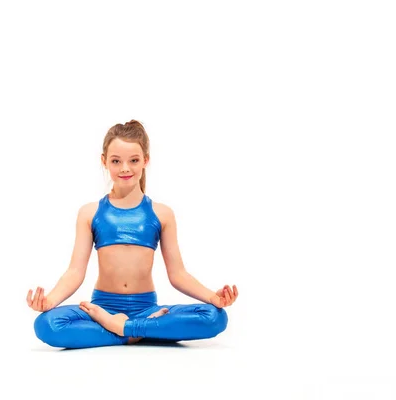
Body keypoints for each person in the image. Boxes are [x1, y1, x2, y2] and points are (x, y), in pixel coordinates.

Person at [26, 119, 239, 349]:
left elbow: (178, 274)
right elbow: (75, 271)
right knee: (46, 324)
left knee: (215, 317)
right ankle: (137, 331)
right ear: (104, 161)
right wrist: (50, 301)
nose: (125, 168)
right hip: (102, 308)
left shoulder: (161, 214)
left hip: (147, 309)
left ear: (146, 160)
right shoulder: (90, 213)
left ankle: (121, 328)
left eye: (134, 160)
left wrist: (212, 298)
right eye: (116, 161)